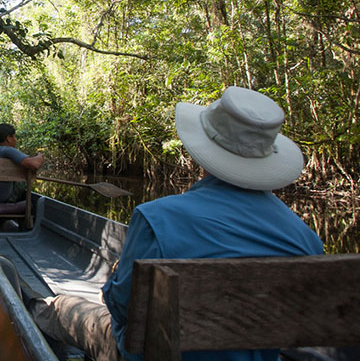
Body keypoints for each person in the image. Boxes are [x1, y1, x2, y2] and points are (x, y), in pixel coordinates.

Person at [27, 86, 324, 361]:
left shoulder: (156, 217)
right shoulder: (306, 239)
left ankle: (34, 309)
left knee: (64, 308)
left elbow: (121, 307)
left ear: (203, 154)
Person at [0, 123, 45, 221]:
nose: (16, 140)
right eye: (15, 137)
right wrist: (39, 155)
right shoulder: (6, 150)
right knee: (23, 182)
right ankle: (24, 216)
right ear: (8, 138)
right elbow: (35, 164)